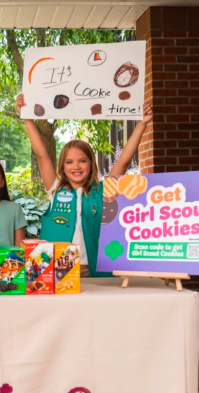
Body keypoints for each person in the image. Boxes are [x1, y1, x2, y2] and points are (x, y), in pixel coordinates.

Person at [15, 93, 153, 276]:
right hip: (59, 270)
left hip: (93, 269)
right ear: (62, 167)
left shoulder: (103, 191)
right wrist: (28, 120)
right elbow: (42, 155)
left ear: (91, 164)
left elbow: (123, 162)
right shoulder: (55, 190)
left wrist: (142, 124)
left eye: (82, 161)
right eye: (69, 162)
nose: (76, 166)